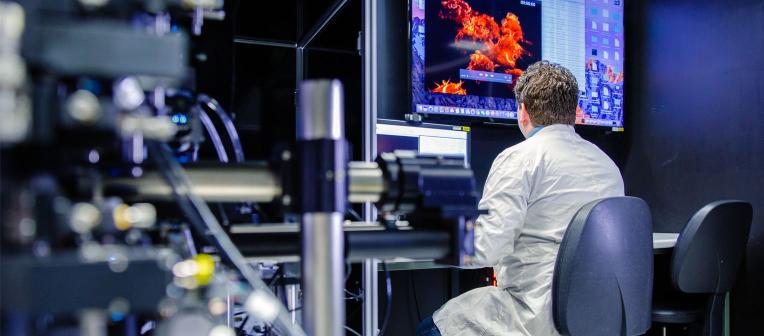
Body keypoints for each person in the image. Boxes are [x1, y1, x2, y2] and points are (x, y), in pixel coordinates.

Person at [416, 61, 625, 336]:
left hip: (536, 315)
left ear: (523, 111)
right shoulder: (607, 164)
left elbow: (487, 248)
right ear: (574, 111)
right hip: (596, 316)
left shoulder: (520, 158)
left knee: (428, 329)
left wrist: (429, 235)